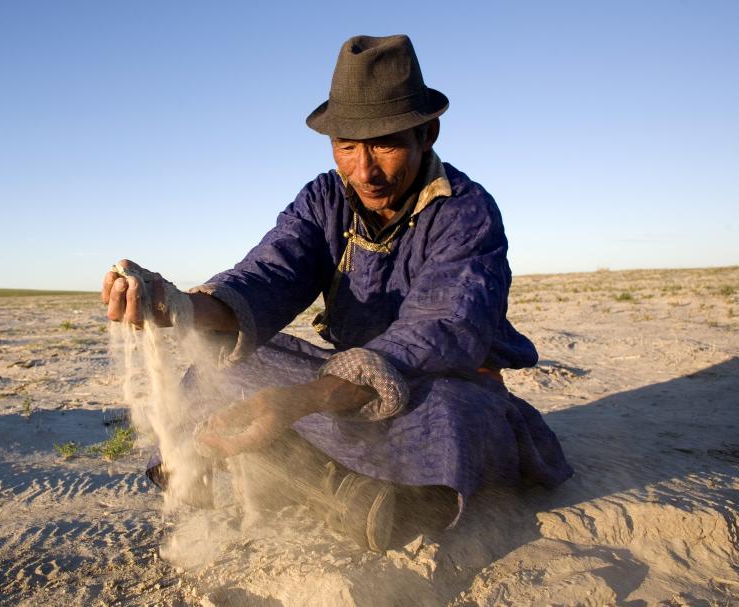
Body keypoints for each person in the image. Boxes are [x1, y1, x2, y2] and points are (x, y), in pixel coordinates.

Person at [102, 34, 572, 552]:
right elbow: (265, 279)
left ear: (427, 133)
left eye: (386, 144)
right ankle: (317, 479)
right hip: (342, 381)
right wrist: (177, 306)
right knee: (218, 359)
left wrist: (301, 401)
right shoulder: (324, 199)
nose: (364, 169)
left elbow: (440, 328)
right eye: (347, 146)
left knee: (455, 420)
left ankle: (315, 478)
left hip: (433, 385)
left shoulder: (467, 211)